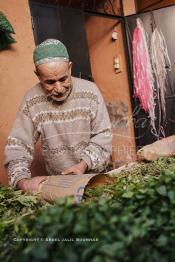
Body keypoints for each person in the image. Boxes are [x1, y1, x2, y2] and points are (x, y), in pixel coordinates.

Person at [4, 39, 112, 192]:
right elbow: (17, 145)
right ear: (38, 75)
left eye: (63, 79)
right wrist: (22, 182)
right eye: (50, 82)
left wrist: (83, 164)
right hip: (59, 186)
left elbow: (103, 136)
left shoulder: (91, 92)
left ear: (69, 68)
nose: (59, 88)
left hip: (95, 179)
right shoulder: (31, 100)